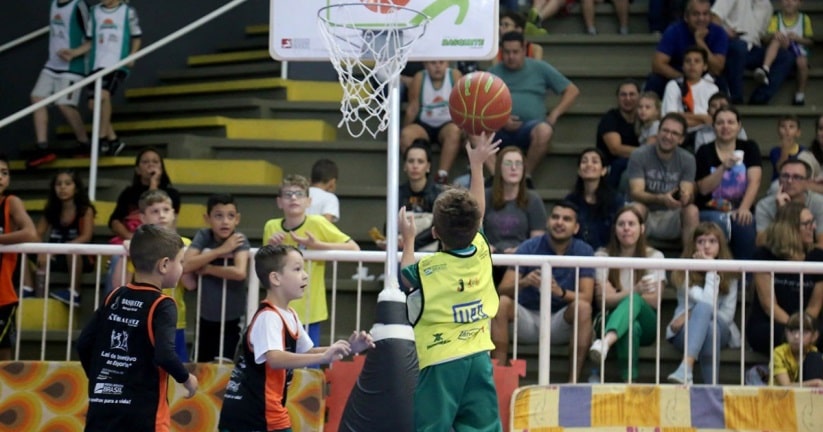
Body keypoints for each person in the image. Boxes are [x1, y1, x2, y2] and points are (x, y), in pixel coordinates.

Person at [399, 132, 502, 431]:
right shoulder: (481, 251)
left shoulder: (428, 268)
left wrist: (407, 242)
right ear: (475, 229)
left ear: (434, 233)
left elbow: (406, 274)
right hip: (479, 358)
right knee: (482, 426)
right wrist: (478, 166)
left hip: (441, 363)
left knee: (433, 426)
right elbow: (478, 213)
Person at [218, 245, 374, 431]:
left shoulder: (289, 314)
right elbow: (275, 359)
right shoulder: (269, 317)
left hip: (266, 411)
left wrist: (349, 348)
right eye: (297, 269)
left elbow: (307, 351)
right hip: (251, 415)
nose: (305, 275)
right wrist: (323, 357)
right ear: (275, 278)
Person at [77, 224, 198, 430]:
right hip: (143, 414)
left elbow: (84, 343)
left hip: (102, 407)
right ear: (164, 265)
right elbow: (165, 355)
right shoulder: (163, 305)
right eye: (181, 262)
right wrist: (187, 378)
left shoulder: (114, 296)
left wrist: (99, 380)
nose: (182, 268)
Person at [492, 200, 595, 383]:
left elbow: (587, 296)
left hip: (559, 321)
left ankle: (573, 382)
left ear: (576, 227)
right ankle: (498, 378)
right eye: (555, 217)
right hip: (526, 319)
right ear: (548, 222)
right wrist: (524, 282)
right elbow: (502, 289)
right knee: (501, 304)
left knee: (583, 307)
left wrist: (559, 291)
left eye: (566, 219)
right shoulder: (529, 247)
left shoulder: (584, 251)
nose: (559, 222)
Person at [263, 174, 360, 346]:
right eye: (288, 194)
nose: (293, 198)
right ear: (279, 202)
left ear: (308, 201)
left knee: (308, 365)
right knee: (279, 362)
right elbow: (264, 269)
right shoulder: (271, 226)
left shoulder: (317, 223)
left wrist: (317, 245)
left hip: (310, 311)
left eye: (299, 194)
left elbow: (354, 248)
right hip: (278, 308)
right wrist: (270, 248)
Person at [489, 31, 580, 186]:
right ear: (501, 52)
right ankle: (496, 176)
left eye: (515, 52)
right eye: (507, 52)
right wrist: (500, 119)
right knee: (474, 131)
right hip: (499, 128)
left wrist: (555, 113)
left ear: (524, 50)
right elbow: (479, 104)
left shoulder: (540, 68)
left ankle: (525, 176)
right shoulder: (493, 73)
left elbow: (572, 90)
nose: (511, 56)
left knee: (545, 130)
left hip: (530, 126)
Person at [112, 190, 193, 363]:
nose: (161, 215)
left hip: (174, 321)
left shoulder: (185, 244)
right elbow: (119, 285)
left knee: (175, 371)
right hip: (140, 319)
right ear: (142, 217)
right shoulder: (138, 246)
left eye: (166, 210)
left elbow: (190, 283)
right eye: (155, 211)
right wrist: (125, 254)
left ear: (174, 214)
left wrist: (183, 257)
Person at [589, 206, 665, 382]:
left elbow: (654, 301)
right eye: (621, 224)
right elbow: (602, 302)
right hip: (611, 320)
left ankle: (605, 343)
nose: (626, 228)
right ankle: (629, 380)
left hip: (648, 323)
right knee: (631, 327)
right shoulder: (601, 256)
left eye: (631, 224)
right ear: (614, 229)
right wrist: (636, 290)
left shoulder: (655, 257)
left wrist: (619, 294)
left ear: (642, 228)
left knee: (635, 301)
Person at [58, 0, 142, 155]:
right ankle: (113, 140)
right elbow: (90, 41)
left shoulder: (127, 12)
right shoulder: (94, 12)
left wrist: (132, 55)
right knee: (92, 105)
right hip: (96, 64)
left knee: (103, 95)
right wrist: (74, 53)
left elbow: (137, 37)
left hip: (117, 64)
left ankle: (101, 139)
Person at [667, 222, 740, 385]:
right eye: (700, 241)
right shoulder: (682, 272)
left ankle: (686, 368)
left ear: (720, 245)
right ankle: (711, 387)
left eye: (712, 241)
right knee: (709, 329)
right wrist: (711, 270)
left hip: (720, 328)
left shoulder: (731, 275)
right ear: (693, 245)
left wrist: (689, 314)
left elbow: (727, 316)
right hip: (684, 331)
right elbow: (706, 302)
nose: (706, 246)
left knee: (713, 327)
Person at [749, 202, 823, 355]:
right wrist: (795, 330)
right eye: (807, 224)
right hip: (773, 322)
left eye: (812, 222)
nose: (813, 227)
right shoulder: (764, 256)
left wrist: (804, 330)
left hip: (808, 324)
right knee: (778, 334)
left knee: (815, 335)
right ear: (790, 229)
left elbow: (814, 306)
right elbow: (769, 305)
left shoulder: (818, 256)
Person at [183, 193, 250, 363]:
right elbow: (185, 265)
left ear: (238, 219)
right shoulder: (204, 236)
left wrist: (208, 268)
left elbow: (239, 272)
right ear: (207, 218)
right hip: (205, 317)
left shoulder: (239, 239)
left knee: (226, 365)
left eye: (230, 216)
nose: (225, 221)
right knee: (200, 364)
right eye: (218, 216)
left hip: (232, 319)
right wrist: (221, 250)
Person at [106, 148, 181, 293]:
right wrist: (134, 240)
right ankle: (113, 306)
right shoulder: (128, 193)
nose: (151, 165)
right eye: (146, 162)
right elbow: (114, 221)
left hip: (161, 243)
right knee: (117, 259)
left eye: (155, 162)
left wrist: (154, 184)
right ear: (138, 169)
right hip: (132, 242)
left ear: (162, 167)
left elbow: (171, 222)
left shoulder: (172, 194)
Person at [28, 0, 90, 168]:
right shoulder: (54, 3)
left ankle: (84, 143)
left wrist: (75, 52)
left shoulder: (79, 5)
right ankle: (43, 147)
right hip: (53, 64)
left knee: (64, 104)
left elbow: (93, 38)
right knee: (37, 98)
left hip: (73, 65)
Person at [694, 106, 762, 259]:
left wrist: (744, 208)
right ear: (713, 127)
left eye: (731, 122)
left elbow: (755, 181)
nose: (725, 126)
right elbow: (703, 189)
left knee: (744, 226)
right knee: (718, 223)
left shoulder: (749, 147)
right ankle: (719, 278)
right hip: (711, 209)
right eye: (720, 123)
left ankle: (744, 280)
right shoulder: (704, 151)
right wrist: (723, 167)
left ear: (739, 126)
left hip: (740, 208)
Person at [627, 112, 699, 246]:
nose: (668, 136)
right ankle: (633, 261)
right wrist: (661, 199)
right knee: (635, 208)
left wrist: (685, 197)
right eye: (665, 131)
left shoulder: (688, 159)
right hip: (646, 215)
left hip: (672, 216)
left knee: (691, 211)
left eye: (674, 133)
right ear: (658, 132)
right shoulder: (639, 155)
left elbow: (687, 192)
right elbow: (635, 192)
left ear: (681, 139)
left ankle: (689, 263)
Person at [27, 170, 96, 306]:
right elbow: (37, 234)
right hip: (55, 256)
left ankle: (74, 293)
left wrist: (54, 250)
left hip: (81, 258)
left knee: (72, 250)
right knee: (22, 249)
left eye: (68, 184)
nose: (62, 187)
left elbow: (86, 237)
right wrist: (42, 250)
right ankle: (28, 289)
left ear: (76, 188)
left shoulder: (85, 210)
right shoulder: (52, 209)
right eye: (58, 184)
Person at [484, 146, 547, 284]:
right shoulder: (485, 196)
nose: (514, 168)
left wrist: (520, 250)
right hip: (488, 260)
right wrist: (485, 246)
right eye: (508, 163)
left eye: (518, 164)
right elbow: (474, 230)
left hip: (521, 262)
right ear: (498, 168)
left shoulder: (533, 199)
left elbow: (538, 239)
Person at [712, 0, 792, 105]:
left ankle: (759, 99)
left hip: (753, 49)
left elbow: (761, 37)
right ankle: (735, 98)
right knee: (740, 47)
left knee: (786, 56)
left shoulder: (767, 6)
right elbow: (713, 17)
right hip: (729, 45)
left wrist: (775, 38)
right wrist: (724, 32)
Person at [645, 0, 728, 98]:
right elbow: (657, 64)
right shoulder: (674, 30)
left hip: (706, 76)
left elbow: (717, 68)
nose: (701, 18)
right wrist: (684, 78)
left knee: (721, 83)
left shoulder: (719, 32)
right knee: (654, 80)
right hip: (678, 75)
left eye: (705, 14)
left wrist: (700, 42)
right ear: (686, 17)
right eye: (696, 14)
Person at [0, 155, 39, 361]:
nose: (0, 177)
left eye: (4, 173)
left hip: (3, 290)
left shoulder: (10, 202)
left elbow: (31, 233)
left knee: (4, 348)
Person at [400, 60, 462, 185]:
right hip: (424, 124)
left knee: (455, 131)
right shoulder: (419, 78)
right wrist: (402, 132)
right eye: (433, 63)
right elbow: (413, 108)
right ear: (425, 65)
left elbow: (463, 105)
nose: (437, 66)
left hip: (447, 124)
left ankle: (441, 175)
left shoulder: (455, 75)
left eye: (441, 63)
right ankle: (420, 175)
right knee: (406, 135)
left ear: (447, 64)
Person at [755, 0, 813, 106]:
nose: (789, 2)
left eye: (793, 0)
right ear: (781, 2)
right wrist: (775, 35)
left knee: (802, 62)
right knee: (776, 41)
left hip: (798, 50)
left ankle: (800, 94)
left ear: (800, 3)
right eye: (786, 0)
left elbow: (809, 41)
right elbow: (765, 39)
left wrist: (798, 38)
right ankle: (765, 68)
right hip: (781, 51)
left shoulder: (804, 19)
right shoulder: (776, 18)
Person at [755, 159, 823, 247]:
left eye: (797, 177)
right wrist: (783, 213)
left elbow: (821, 244)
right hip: (777, 256)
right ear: (779, 180)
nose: (790, 181)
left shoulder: (819, 203)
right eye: (785, 176)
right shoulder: (764, 205)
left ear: (808, 182)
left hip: (810, 256)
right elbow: (761, 243)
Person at [565, 148, 623, 250]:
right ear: (579, 170)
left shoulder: (615, 200)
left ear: (603, 170)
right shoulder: (570, 200)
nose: (589, 165)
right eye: (584, 161)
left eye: (595, 161)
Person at [661, 46, 718, 134]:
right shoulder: (673, 86)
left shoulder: (712, 88)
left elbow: (712, 119)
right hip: (678, 133)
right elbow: (671, 118)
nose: (692, 64)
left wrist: (682, 116)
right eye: (688, 61)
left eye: (697, 61)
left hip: (707, 133)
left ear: (705, 66)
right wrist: (703, 118)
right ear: (683, 66)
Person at [596, 81, 640, 190]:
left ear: (640, 96)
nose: (628, 99)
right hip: (612, 167)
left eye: (632, 94)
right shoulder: (610, 119)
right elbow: (616, 149)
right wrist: (646, 153)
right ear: (617, 98)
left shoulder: (645, 118)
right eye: (623, 95)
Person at [771, 312, 823, 387]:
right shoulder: (779, 353)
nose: (796, 336)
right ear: (786, 332)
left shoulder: (813, 354)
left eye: (804, 332)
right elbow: (786, 386)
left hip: (804, 395)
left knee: (815, 357)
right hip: (780, 396)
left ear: (814, 336)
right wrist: (815, 383)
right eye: (792, 331)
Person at [768, 115, 812, 181]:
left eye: (791, 127)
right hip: (780, 182)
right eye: (783, 126)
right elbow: (780, 170)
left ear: (798, 132)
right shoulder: (775, 151)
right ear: (778, 131)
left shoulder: (803, 151)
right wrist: (785, 149)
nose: (787, 129)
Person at [306, 158, 340, 223]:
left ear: (310, 180)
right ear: (332, 182)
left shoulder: (301, 194)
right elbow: (326, 223)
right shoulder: (330, 198)